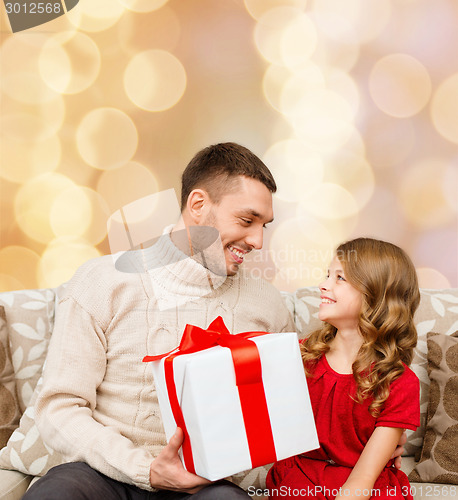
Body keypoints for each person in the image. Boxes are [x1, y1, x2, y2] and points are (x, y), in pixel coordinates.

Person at [23, 143, 295, 500]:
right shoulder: (103, 281)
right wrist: (144, 469)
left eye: (264, 225)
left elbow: (281, 416)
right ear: (198, 206)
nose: (258, 241)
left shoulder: (267, 305)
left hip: (205, 486)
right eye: (246, 221)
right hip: (102, 474)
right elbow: (59, 407)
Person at [266, 238, 420, 500]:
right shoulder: (298, 357)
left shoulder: (400, 382)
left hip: (364, 487)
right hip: (301, 479)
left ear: (376, 296)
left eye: (340, 278)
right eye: (328, 275)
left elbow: (362, 479)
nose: (322, 284)